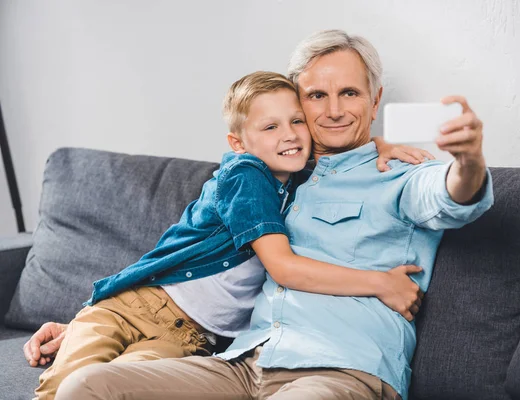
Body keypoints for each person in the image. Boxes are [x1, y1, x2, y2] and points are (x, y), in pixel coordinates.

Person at [53, 29, 494, 400]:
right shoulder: (276, 177)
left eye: (350, 93)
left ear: (374, 102)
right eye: (317, 96)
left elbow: (450, 194)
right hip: (243, 364)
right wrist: (81, 324)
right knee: (87, 386)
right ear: (299, 106)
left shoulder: (399, 175)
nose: (334, 110)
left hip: (340, 369)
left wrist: (469, 159)